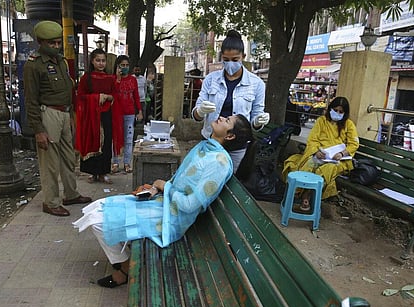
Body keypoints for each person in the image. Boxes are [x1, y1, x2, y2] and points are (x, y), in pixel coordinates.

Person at [73, 114, 253, 288]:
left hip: (172, 218)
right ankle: (123, 263)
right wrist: (155, 188)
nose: (221, 117)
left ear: (230, 135)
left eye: (227, 120)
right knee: (97, 206)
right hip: (162, 202)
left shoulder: (219, 163)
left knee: (97, 222)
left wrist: (164, 186)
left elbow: (190, 205)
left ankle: (125, 269)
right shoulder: (206, 147)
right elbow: (178, 180)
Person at [24, 20, 92, 217]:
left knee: (69, 158)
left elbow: (68, 90)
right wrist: (38, 130)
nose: (55, 46)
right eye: (51, 43)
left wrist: (70, 115)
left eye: (57, 42)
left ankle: (71, 194)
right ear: (40, 42)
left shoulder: (61, 61)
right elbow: (31, 100)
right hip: (48, 114)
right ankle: (51, 202)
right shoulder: (34, 65)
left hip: (64, 114)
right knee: (50, 163)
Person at [192, 30, 269, 172]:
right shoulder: (211, 79)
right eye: (226, 60)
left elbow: (255, 121)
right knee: (205, 176)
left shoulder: (256, 84)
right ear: (221, 57)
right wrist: (200, 110)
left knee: (232, 181)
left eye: (235, 60)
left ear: (243, 57)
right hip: (211, 140)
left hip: (238, 145)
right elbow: (196, 115)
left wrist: (258, 122)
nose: (230, 64)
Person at [282, 96, 359, 210]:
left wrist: (342, 154)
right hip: (320, 154)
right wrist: (316, 151)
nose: (337, 113)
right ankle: (297, 191)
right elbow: (312, 139)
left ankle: (306, 195)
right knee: (309, 165)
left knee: (326, 170)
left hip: (338, 159)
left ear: (345, 113)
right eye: (335, 110)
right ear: (330, 109)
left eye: (341, 112)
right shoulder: (321, 121)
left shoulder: (349, 124)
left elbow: (353, 144)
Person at [75, 48, 119, 184]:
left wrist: (107, 96)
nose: (101, 63)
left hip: (106, 115)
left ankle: (103, 172)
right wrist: (96, 97)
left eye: (103, 61)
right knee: (91, 141)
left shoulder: (111, 79)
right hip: (90, 116)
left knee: (106, 142)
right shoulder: (85, 78)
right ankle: (92, 173)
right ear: (92, 61)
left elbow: (116, 96)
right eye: (98, 60)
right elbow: (80, 96)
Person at [111, 55, 143, 174]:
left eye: (126, 65)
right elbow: (113, 93)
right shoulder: (113, 79)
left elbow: (136, 97)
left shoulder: (132, 79)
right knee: (115, 138)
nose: (125, 67)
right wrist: (118, 79)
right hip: (116, 114)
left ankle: (127, 163)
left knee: (129, 139)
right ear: (117, 66)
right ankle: (115, 162)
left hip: (130, 113)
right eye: (122, 65)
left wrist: (139, 111)